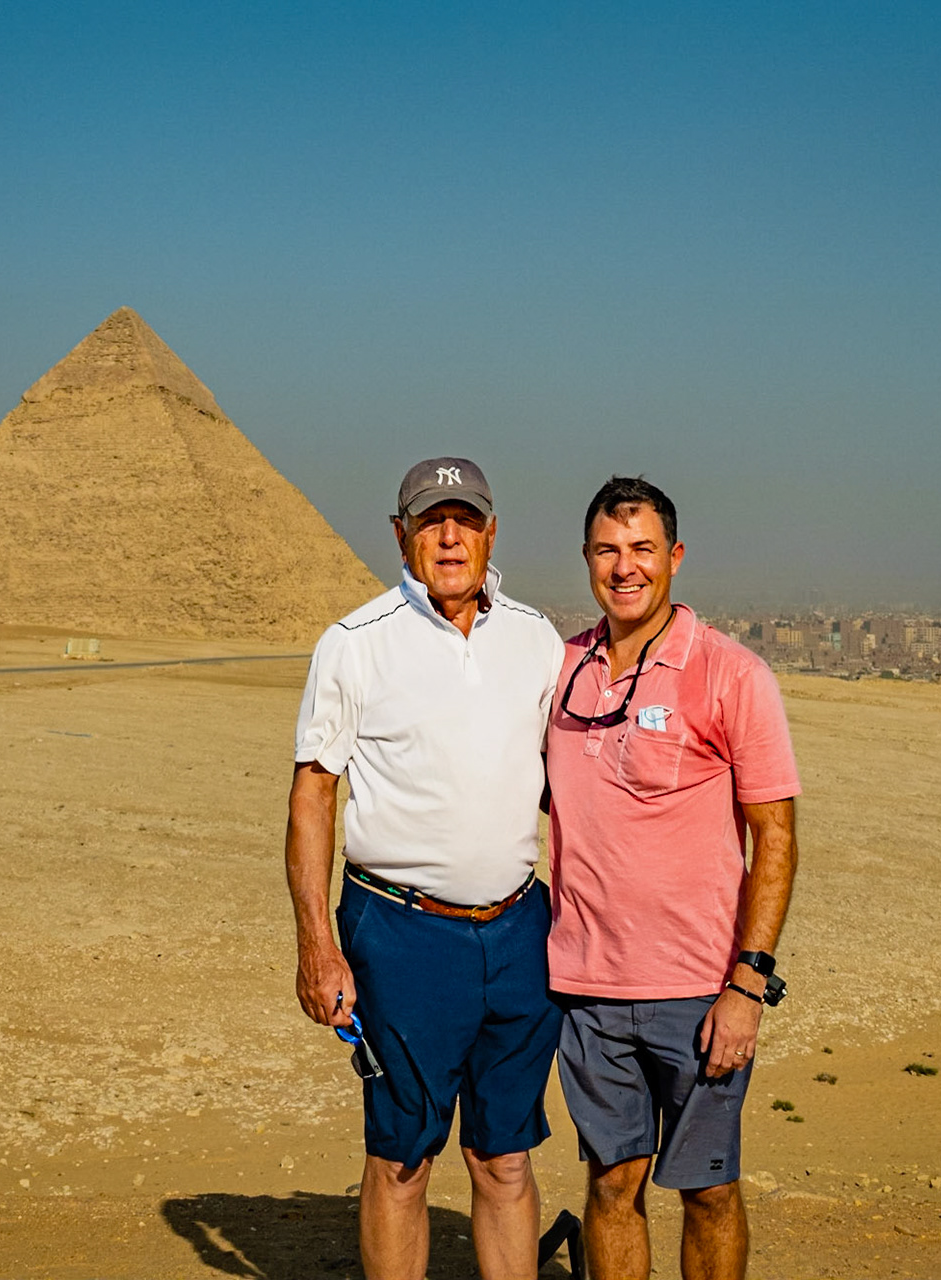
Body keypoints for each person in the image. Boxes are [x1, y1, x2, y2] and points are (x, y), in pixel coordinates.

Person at [286, 457, 567, 1280]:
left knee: (505, 1158)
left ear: (491, 532)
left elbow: (569, 783)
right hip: (403, 935)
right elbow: (313, 795)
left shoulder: (536, 638)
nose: (450, 536)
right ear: (400, 534)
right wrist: (317, 946)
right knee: (403, 1160)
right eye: (431, 520)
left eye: (466, 519)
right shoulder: (354, 644)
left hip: (519, 931)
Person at [545, 476, 802, 1280]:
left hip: (699, 990)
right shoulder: (559, 672)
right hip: (587, 988)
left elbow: (776, 836)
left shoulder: (731, 674)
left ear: (675, 556)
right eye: (607, 550)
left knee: (709, 1191)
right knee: (610, 1182)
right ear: (586, 558)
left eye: (643, 549)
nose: (625, 567)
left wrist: (747, 985)